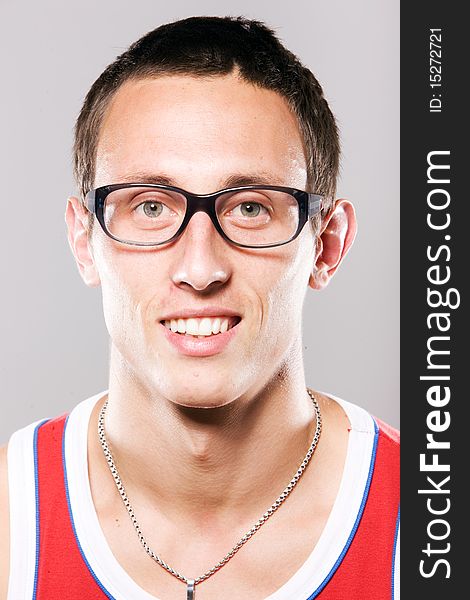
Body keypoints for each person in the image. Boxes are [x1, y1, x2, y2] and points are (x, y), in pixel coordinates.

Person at [0, 15, 399, 600]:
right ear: (85, 242)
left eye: (251, 208)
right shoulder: (10, 523)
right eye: (151, 207)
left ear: (327, 244)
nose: (200, 268)